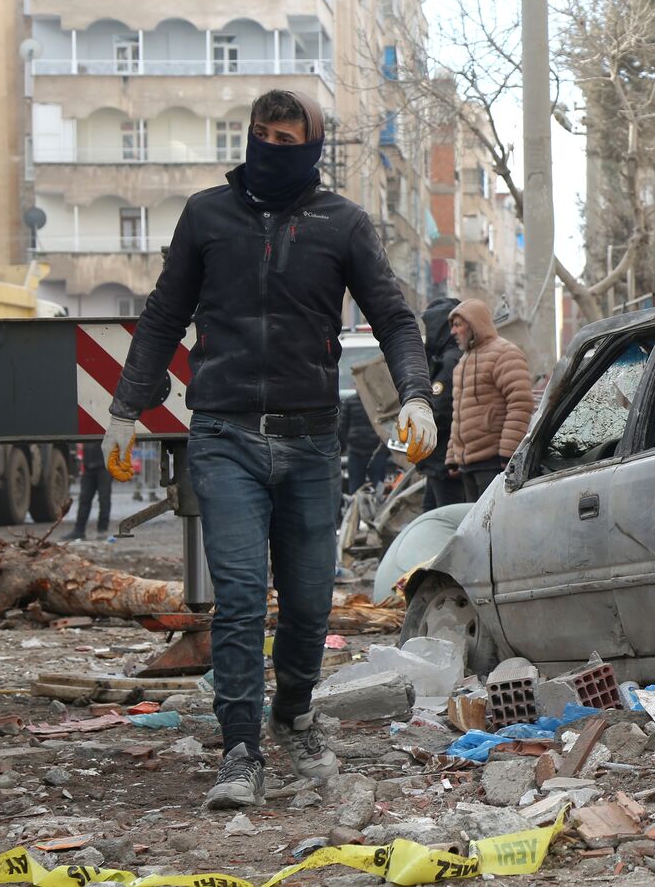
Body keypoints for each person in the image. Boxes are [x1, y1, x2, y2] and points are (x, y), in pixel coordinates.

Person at [101, 89, 437, 811]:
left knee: (312, 600)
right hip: (223, 434)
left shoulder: (342, 223)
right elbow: (164, 313)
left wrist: (415, 394)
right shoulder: (206, 216)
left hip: (312, 439)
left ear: (311, 148)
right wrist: (126, 408)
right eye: (262, 135)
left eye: (287, 140)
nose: (271, 149)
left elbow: (395, 318)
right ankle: (240, 747)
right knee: (242, 594)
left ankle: (293, 709)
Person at [445, 299, 535, 502]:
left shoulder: (505, 353)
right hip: (467, 465)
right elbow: (458, 413)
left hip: (493, 462)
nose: (453, 332)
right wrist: (452, 456)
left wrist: (507, 453)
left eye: (458, 325)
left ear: (474, 324)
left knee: (490, 527)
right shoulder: (463, 362)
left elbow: (520, 402)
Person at [419, 296, 464, 510]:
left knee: (442, 519)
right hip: (440, 460)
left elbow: (441, 410)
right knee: (429, 518)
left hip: (444, 461)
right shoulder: (453, 357)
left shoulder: (449, 361)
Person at [337, 393, 387, 495]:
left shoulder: (379, 401)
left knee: (377, 489)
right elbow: (342, 427)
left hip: (375, 451)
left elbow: (342, 427)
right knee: (357, 488)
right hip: (358, 452)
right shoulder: (350, 402)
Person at [65, 443, 111, 541]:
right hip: (88, 465)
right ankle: (79, 530)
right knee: (84, 499)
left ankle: (102, 529)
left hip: (105, 466)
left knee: (104, 499)